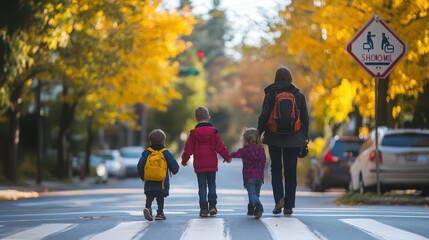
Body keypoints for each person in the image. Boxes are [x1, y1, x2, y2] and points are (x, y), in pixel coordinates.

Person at [257, 67, 309, 216]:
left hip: (273, 137)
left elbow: (264, 115)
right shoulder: (298, 96)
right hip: (294, 138)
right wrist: (304, 137)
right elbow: (305, 119)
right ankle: (289, 206)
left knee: (276, 169)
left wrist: (259, 133)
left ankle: (279, 199)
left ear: (276, 78)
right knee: (291, 171)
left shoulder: (270, 94)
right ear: (290, 77)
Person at [181, 106, 232, 217]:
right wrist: (227, 157)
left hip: (199, 165)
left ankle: (203, 209)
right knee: (212, 184)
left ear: (196, 119)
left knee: (202, 187)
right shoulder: (214, 132)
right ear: (208, 118)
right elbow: (220, 147)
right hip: (211, 164)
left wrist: (184, 160)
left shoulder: (193, 134)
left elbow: (188, 149)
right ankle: (212, 206)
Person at [137, 129, 179, 221]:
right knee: (160, 198)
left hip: (149, 182)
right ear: (163, 140)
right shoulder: (165, 152)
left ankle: (148, 208)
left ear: (150, 141)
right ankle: (160, 213)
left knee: (149, 196)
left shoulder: (147, 152)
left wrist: (143, 177)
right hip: (162, 182)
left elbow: (140, 166)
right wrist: (174, 171)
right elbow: (174, 166)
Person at [230, 127, 267, 219]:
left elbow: (235, 155)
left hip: (249, 176)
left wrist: (227, 157)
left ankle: (258, 206)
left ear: (245, 139)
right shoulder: (261, 150)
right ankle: (251, 208)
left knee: (252, 194)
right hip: (259, 176)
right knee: (256, 194)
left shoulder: (244, 151)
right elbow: (264, 161)